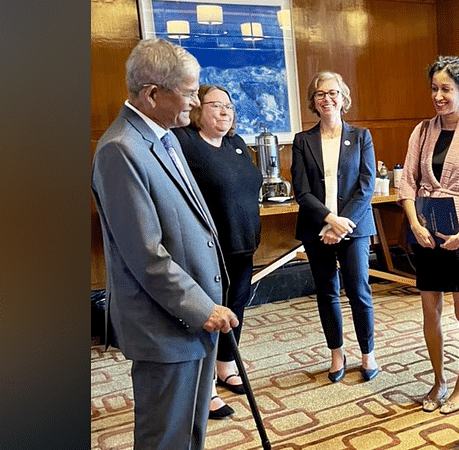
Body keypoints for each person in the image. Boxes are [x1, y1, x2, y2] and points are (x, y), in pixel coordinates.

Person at [91, 39, 238, 449]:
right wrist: (200, 306)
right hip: (164, 324)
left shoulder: (165, 135)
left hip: (193, 319)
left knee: (190, 432)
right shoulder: (121, 150)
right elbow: (145, 254)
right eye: (190, 93)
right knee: (165, 438)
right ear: (153, 94)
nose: (195, 103)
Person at [397, 56, 459, 414]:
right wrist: (415, 224)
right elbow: (408, 182)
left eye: (446, 89)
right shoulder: (422, 130)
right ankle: (438, 380)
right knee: (429, 311)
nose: (438, 95)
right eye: (434, 88)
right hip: (426, 230)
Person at [172, 84, 263, 419]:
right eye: (216, 106)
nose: (225, 111)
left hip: (243, 246)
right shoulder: (185, 142)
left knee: (236, 307)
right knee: (208, 316)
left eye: (229, 106)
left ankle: (225, 365)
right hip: (208, 251)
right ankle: (205, 386)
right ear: (198, 109)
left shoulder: (236, 144)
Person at [291, 71, 380, 383]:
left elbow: (366, 187)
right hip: (317, 227)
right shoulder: (303, 141)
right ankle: (337, 353)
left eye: (333, 93)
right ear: (313, 102)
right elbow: (301, 191)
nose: (327, 99)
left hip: (354, 227)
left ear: (344, 98)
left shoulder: (361, 137)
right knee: (327, 291)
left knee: (359, 290)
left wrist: (342, 225)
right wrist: (330, 220)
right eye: (320, 94)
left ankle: (368, 353)